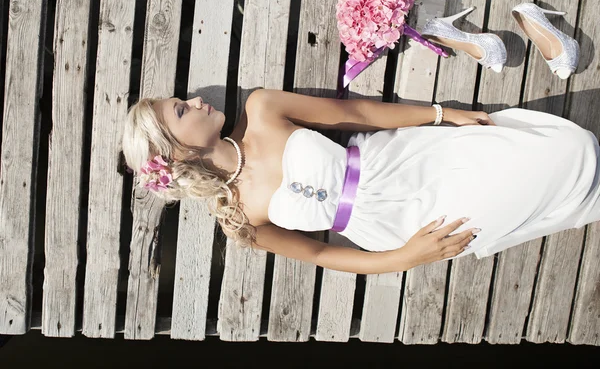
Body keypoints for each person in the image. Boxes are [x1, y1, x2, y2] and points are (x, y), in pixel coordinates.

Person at [122, 88, 600, 275]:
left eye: (181, 97)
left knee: (572, 150)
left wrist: (443, 115)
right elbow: (322, 254)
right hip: (398, 224)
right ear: (177, 151)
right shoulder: (238, 218)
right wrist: (406, 257)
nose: (195, 99)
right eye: (181, 110)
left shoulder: (262, 109)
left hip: (404, 161)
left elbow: (356, 113)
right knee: (550, 192)